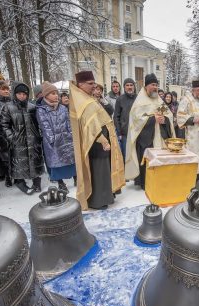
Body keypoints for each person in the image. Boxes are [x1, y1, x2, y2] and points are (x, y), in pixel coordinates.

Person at [69, 70, 124, 210]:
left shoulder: (86, 97)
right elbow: (90, 126)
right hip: (97, 142)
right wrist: (103, 140)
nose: (94, 86)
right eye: (90, 83)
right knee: (99, 170)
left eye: (94, 83)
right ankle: (98, 200)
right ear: (80, 84)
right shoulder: (83, 101)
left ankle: (106, 195)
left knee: (103, 169)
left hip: (100, 139)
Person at [125, 73, 175, 189]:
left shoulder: (159, 101)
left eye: (157, 85)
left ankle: (158, 180)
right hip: (146, 138)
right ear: (146, 86)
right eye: (153, 85)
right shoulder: (140, 101)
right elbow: (136, 119)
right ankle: (145, 182)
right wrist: (153, 119)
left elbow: (169, 115)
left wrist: (164, 120)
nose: (155, 87)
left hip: (159, 136)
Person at [0, 82, 44, 194]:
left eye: (24, 94)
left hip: (33, 140)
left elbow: (38, 123)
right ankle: (20, 183)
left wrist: (38, 136)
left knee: (35, 160)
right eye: (19, 93)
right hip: (17, 141)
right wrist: (12, 137)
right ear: (15, 94)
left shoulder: (32, 107)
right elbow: (4, 125)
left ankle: (36, 182)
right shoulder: (8, 107)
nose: (22, 96)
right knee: (18, 163)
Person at [36, 82, 76, 192]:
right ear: (46, 95)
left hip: (66, 139)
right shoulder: (41, 110)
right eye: (53, 93)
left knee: (71, 160)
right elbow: (44, 126)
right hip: (53, 142)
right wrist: (52, 139)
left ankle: (75, 177)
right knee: (56, 163)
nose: (56, 95)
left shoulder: (62, 108)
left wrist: (71, 134)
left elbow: (68, 122)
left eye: (56, 93)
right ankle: (60, 182)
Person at [114, 78, 137, 159]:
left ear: (134, 86)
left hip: (137, 132)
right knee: (126, 156)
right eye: (127, 85)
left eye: (131, 85)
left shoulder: (138, 98)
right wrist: (119, 133)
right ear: (124, 87)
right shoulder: (120, 99)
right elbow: (116, 117)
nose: (129, 87)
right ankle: (126, 172)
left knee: (137, 156)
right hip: (125, 134)